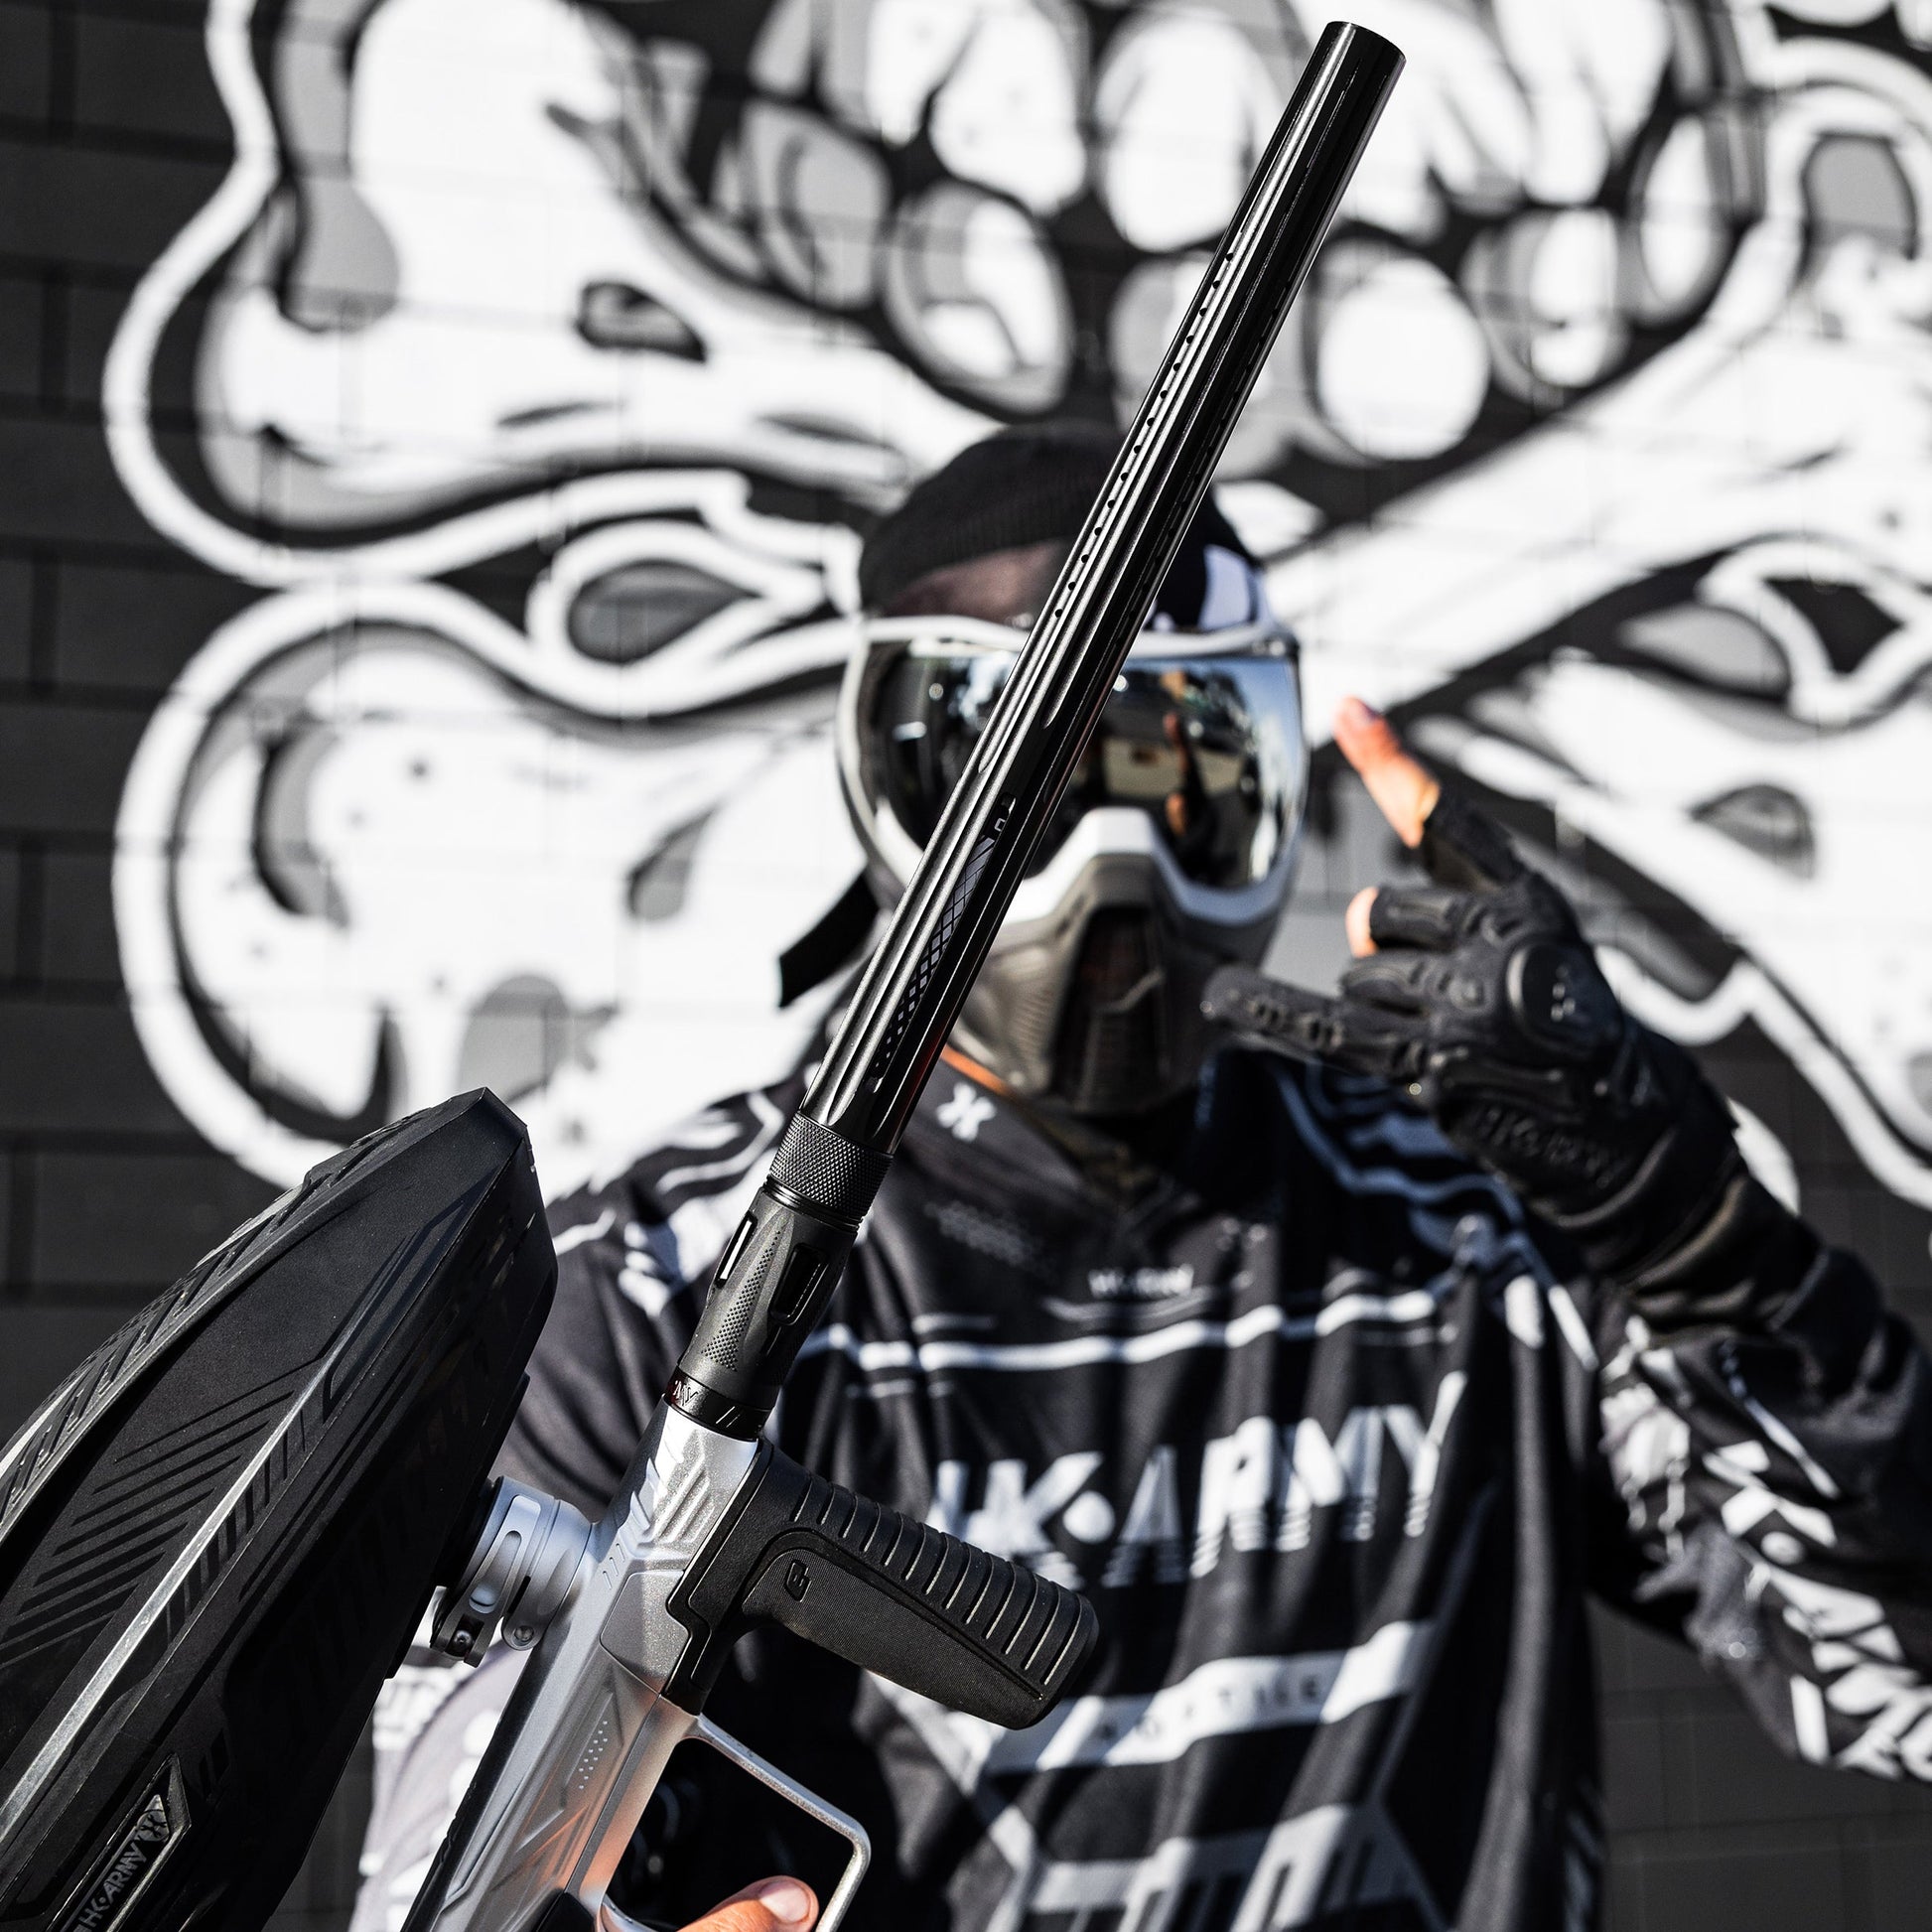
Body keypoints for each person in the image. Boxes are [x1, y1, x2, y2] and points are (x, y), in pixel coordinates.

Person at [352, 424, 1932, 1932]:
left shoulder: (1474, 1224)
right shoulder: (675, 1300)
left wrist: (1705, 1241)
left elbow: (1892, 1681)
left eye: (1181, 767)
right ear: (888, 782)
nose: (1115, 859)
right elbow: (459, 1855)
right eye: (1025, 778)